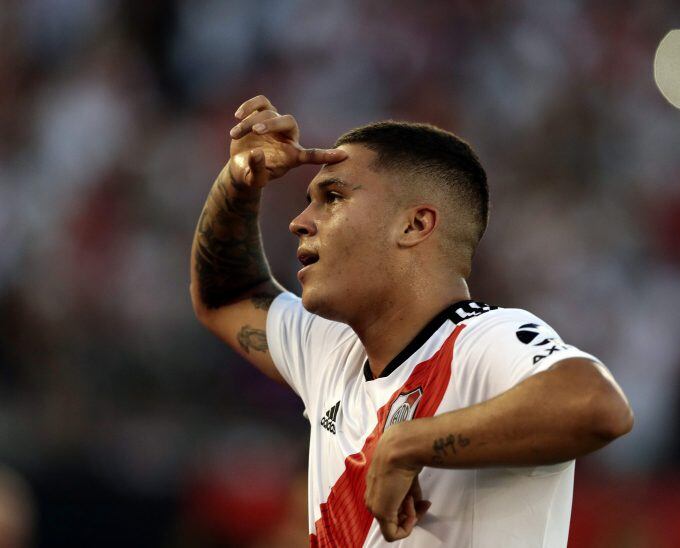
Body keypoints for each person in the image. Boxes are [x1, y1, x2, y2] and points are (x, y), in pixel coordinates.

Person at [190, 94, 633, 547]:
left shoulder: (481, 338)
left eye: (333, 197)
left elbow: (598, 406)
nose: (299, 222)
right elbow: (226, 294)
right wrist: (239, 182)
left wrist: (409, 443)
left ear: (415, 225)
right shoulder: (332, 349)